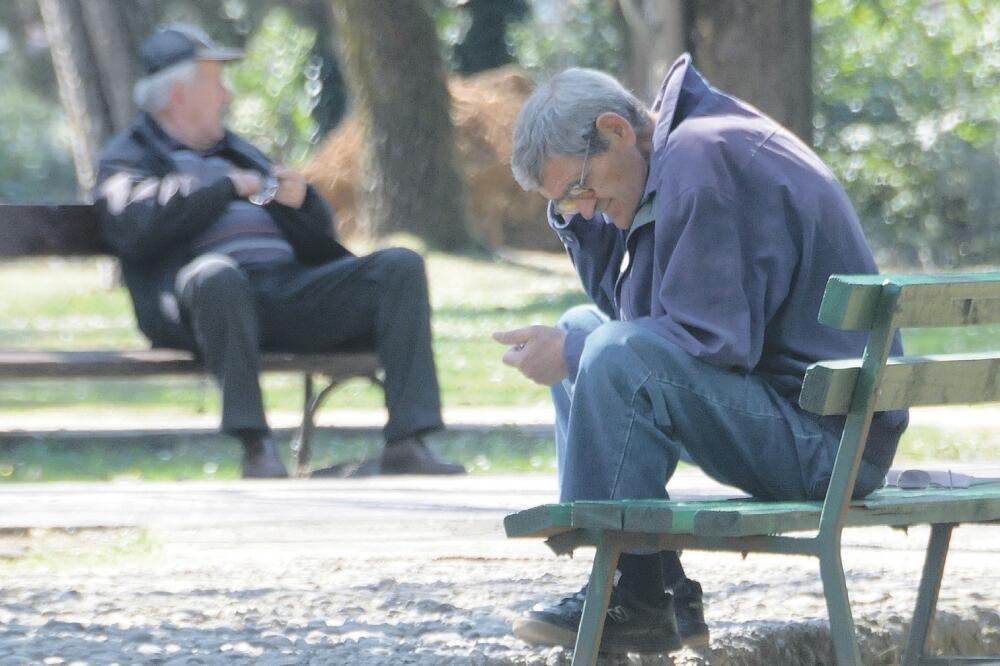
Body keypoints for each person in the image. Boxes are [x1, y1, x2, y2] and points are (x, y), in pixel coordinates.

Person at [494, 55, 908, 654]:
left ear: (615, 130)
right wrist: (585, 233)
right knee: (583, 328)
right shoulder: (682, 155)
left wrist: (580, 350)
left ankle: (632, 592)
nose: (583, 208)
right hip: (805, 422)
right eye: (564, 203)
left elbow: (711, 342)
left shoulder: (703, 161)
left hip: (828, 447)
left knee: (600, 348)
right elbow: (639, 317)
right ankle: (658, 581)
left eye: (580, 189)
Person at [94, 24, 465, 479]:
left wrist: (302, 202)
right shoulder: (129, 156)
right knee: (218, 275)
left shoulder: (238, 150)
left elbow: (317, 239)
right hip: (209, 304)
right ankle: (257, 449)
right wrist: (222, 187)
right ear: (178, 93)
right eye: (216, 83)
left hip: (288, 293)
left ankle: (408, 442)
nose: (227, 96)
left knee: (399, 266)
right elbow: (132, 223)